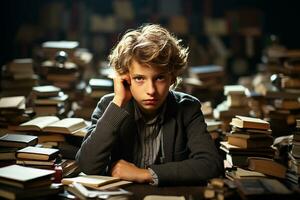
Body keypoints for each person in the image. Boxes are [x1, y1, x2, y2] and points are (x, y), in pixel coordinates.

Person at [76, 24, 223, 186]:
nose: (151, 91)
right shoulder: (109, 106)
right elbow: (87, 166)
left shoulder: (188, 108)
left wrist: (144, 174)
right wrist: (118, 101)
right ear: (125, 78)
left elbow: (210, 165)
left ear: (172, 78)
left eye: (159, 78)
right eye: (139, 78)